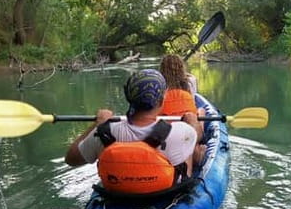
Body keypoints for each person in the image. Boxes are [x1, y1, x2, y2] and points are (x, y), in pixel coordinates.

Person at [65, 69, 199, 189]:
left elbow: (71, 159)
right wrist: (192, 122)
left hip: (119, 196)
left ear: (129, 97)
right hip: (163, 195)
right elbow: (197, 136)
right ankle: (184, 184)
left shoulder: (104, 132)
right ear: (160, 101)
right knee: (190, 152)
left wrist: (97, 125)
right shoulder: (180, 132)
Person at [159, 54, 206, 163]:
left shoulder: (160, 84)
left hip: (166, 130)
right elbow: (193, 101)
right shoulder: (190, 80)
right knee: (201, 111)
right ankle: (196, 146)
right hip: (188, 126)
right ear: (181, 67)